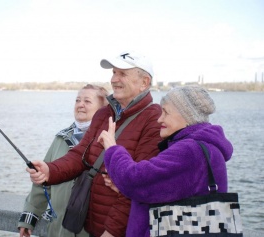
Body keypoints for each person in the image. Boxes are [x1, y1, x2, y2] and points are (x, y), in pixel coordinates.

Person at [26, 50, 162, 237]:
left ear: (144, 82)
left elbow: (140, 183)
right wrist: (50, 170)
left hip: (123, 231)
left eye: (122, 73)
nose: (114, 79)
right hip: (93, 227)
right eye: (113, 72)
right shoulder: (104, 114)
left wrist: (112, 231)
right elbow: (80, 155)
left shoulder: (154, 118)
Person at [98, 85, 233, 237]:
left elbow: (136, 180)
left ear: (186, 115)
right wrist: (123, 187)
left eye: (166, 112)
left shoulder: (190, 151)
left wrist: (112, 149)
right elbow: (164, 190)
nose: (159, 119)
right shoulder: (203, 147)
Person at [18, 84, 109, 237]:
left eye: (87, 101)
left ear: (102, 110)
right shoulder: (61, 138)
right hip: (59, 229)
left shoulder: (109, 140)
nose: (80, 104)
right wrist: (29, 217)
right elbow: (42, 183)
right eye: (77, 100)